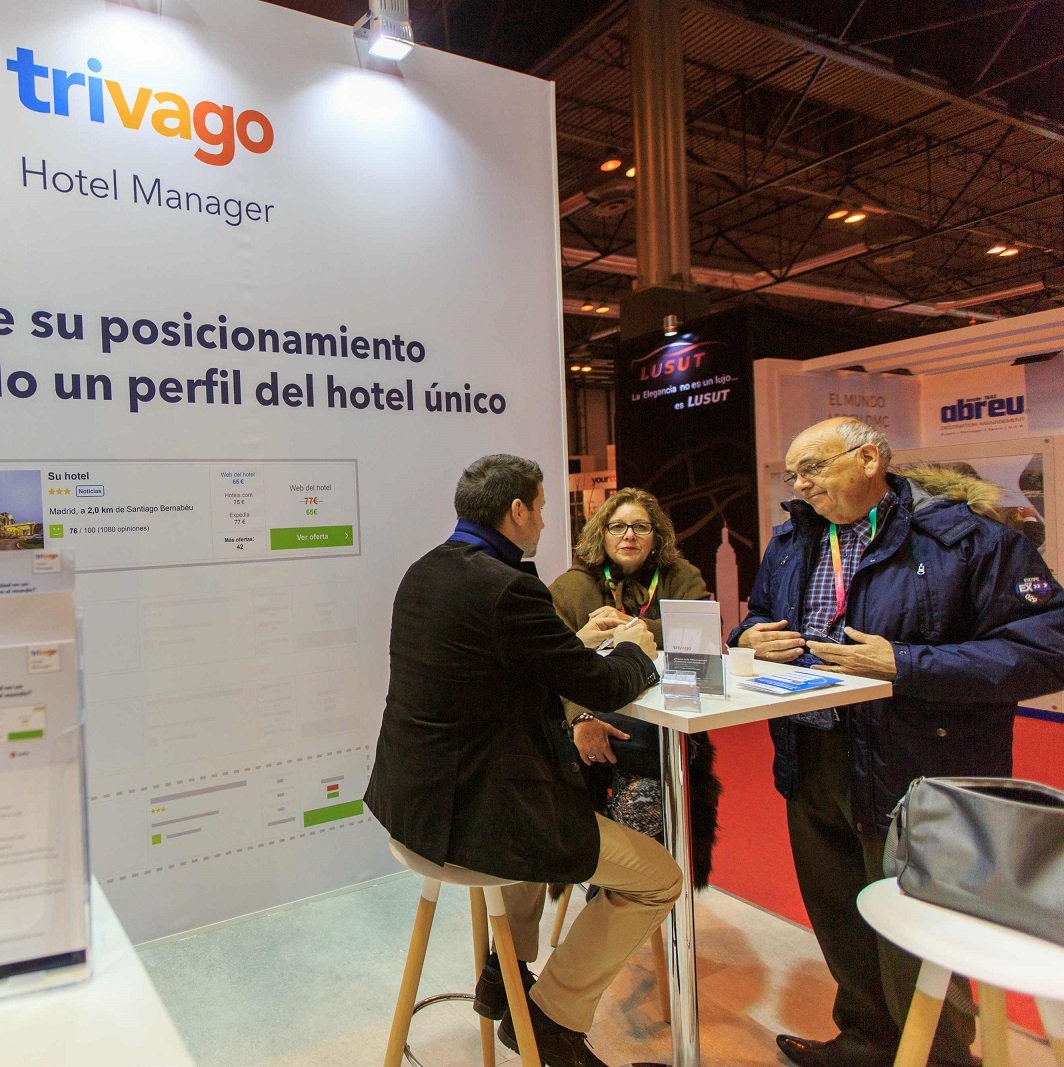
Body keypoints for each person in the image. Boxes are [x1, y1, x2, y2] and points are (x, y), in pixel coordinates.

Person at [730, 418, 1064, 1067]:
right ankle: (867, 1039)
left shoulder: (968, 537)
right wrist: (747, 638)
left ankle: (939, 1057)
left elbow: (1046, 649)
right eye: (794, 472)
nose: (798, 484)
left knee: (916, 937)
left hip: (918, 767)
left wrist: (905, 663)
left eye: (813, 468)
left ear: (868, 458)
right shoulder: (792, 541)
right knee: (841, 916)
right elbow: (757, 614)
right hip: (813, 758)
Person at [364, 454, 682, 1067]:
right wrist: (639, 650)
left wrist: (576, 642)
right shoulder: (510, 587)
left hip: (410, 809)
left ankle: (504, 970)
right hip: (476, 820)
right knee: (658, 879)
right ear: (517, 511)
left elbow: (501, 666)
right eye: (540, 507)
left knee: (557, 834)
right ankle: (550, 1018)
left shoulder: (428, 571)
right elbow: (606, 689)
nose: (543, 520)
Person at [549, 488, 720, 887]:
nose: (629, 536)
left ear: (656, 535)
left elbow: (703, 638)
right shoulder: (571, 587)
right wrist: (581, 718)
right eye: (618, 526)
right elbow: (553, 666)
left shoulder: (682, 578)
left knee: (644, 800)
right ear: (601, 534)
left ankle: (623, 889)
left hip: (666, 724)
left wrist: (634, 627)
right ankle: (620, 883)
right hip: (588, 720)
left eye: (641, 527)